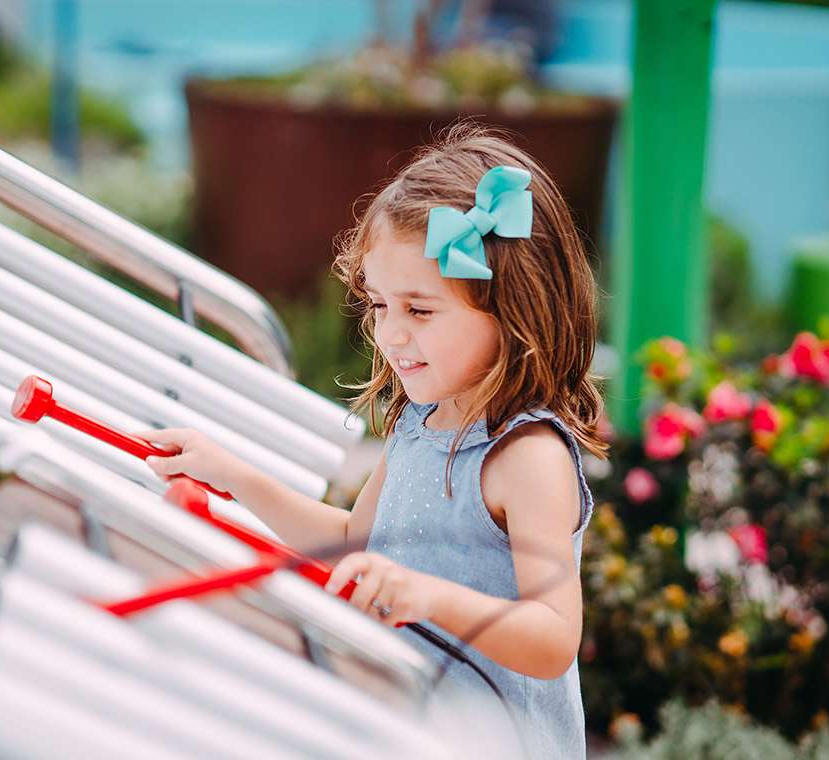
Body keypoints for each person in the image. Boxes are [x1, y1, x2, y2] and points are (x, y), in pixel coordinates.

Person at [139, 123, 608, 760]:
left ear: (513, 309)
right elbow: (355, 544)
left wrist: (427, 595)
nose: (389, 334)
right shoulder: (420, 423)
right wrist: (235, 477)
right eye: (380, 304)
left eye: (419, 310)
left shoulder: (526, 457)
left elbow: (552, 638)